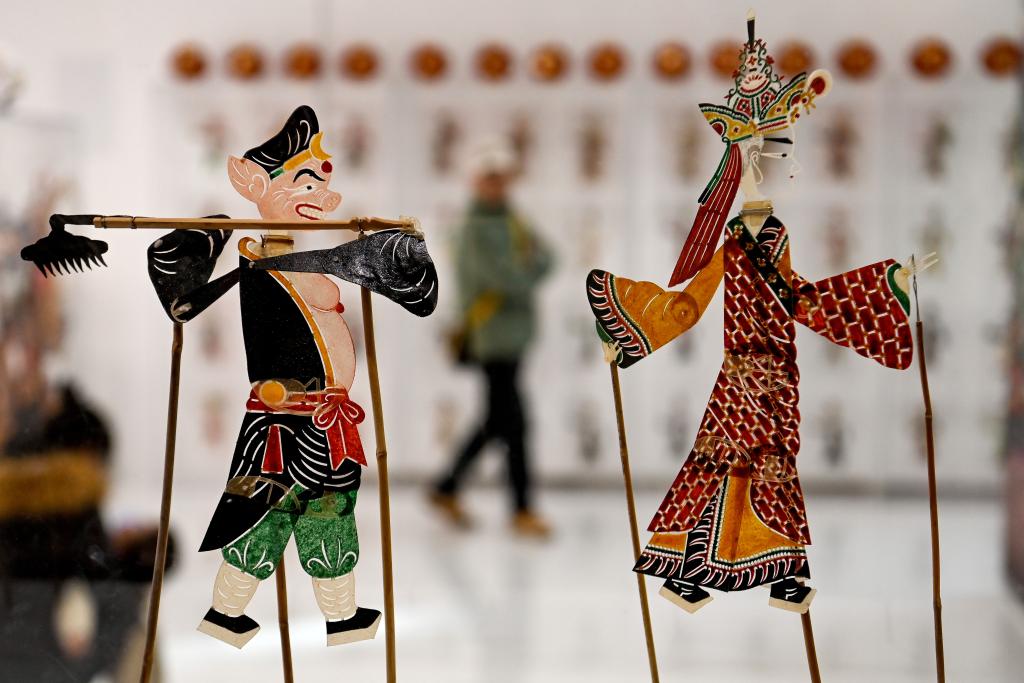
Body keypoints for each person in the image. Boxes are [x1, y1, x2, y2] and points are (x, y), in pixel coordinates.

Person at [430, 139, 554, 537]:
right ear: (476, 182)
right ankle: (521, 508)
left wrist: (525, 271)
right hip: (491, 336)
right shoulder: (471, 229)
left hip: (516, 334)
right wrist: (526, 271)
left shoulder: (514, 220)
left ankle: (446, 487)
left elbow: (548, 257)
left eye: (501, 178)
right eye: (490, 178)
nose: (497, 185)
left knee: (499, 420)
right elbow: (505, 278)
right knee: (513, 423)